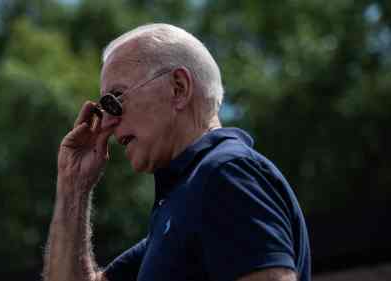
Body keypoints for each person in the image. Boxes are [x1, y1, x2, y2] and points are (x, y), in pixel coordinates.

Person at [42, 23, 311, 281]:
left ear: (178, 88)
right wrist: (72, 185)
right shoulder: (188, 200)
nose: (108, 124)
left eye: (114, 100)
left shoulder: (225, 173)